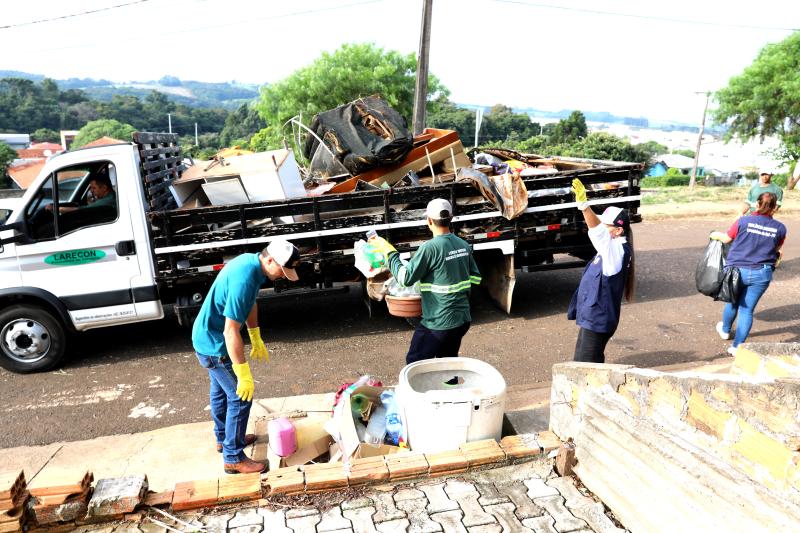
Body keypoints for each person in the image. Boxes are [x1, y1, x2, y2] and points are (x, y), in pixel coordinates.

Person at [191, 239, 300, 474]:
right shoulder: (245, 279)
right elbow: (230, 331)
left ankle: (224, 438)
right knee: (241, 397)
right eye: (282, 270)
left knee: (220, 392)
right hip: (215, 345)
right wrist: (243, 372)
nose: (283, 276)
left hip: (207, 338)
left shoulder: (252, 264)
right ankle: (233, 456)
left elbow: (249, 303)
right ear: (269, 259)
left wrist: (254, 333)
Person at [370, 198, 482, 366]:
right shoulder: (463, 245)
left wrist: (390, 253)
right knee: (448, 364)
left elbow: (404, 278)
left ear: (429, 220)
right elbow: (475, 277)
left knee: (415, 364)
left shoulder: (429, 248)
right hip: (462, 319)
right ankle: (449, 390)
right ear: (451, 218)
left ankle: (421, 392)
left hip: (439, 322)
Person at [567, 179, 635, 364]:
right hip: (592, 319)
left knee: (586, 368)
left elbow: (597, 232)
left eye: (606, 226)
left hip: (598, 321)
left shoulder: (616, 250)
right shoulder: (611, 247)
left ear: (618, 231)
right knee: (583, 362)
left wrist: (584, 206)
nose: (601, 227)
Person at [711, 192, 786, 355]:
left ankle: (725, 330)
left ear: (757, 205)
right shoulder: (780, 228)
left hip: (737, 271)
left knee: (732, 303)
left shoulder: (743, 221)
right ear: (775, 208)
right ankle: (737, 347)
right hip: (762, 274)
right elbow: (777, 250)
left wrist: (714, 234)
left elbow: (726, 239)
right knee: (747, 310)